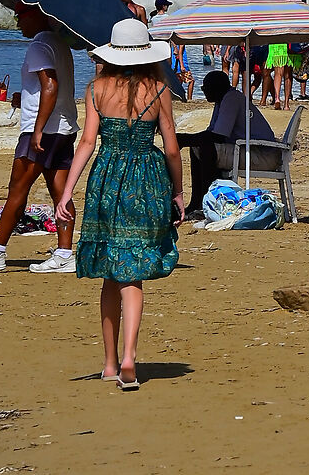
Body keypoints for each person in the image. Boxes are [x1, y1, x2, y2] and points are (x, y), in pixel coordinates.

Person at [50, 20, 181, 386]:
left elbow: (87, 143)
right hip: (147, 178)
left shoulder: (96, 89)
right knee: (132, 271)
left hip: (106, 178)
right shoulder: (158, 90)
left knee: (110, 272)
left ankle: (109, 364)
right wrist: (178, 191)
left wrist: (66, 192)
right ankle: (128, 359)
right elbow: (171, 146)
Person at [0, 7, 79, 273]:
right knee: (61, 192)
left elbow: (50, 86)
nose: (17, 21)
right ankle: (64, 252)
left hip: (42, 130)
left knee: (18, 189)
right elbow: (49, 87)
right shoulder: (59, 44)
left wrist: (37, 129)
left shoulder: (39, 44)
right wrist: (22, 98)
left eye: (21, 15)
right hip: (63, 127)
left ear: (37, 16)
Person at [184, 67, 273, 213]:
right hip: (249, 149)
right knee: (198, 147)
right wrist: (189, 140)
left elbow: (218, 135)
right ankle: (197, 201)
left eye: (206, 88)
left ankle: (208, 200)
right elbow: (211, 132)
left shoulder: (231, 99)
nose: (204, 91)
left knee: (206, 147)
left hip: (262, 154)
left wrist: (184, 139)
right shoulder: (222, 100)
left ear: (216, 88)